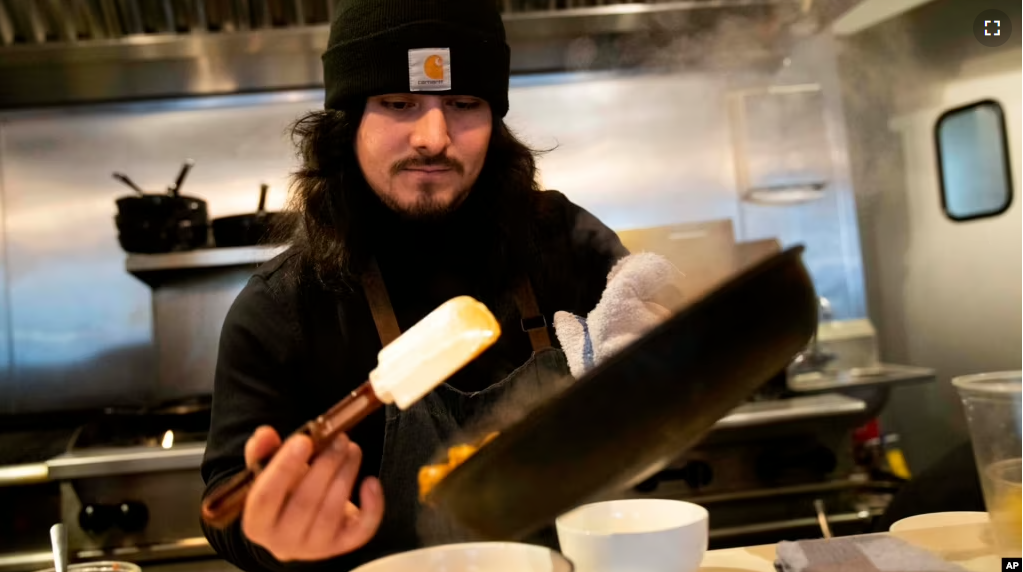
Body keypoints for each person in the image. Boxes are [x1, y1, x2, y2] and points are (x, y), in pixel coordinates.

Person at [199, 0, 628, 569]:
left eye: (463, 103)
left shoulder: (560, 241)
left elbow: (654, 345)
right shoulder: (284, 306)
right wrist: (276, 535)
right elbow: (228, 501)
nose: (433, 136)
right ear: (347, 121)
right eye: (399, 103)